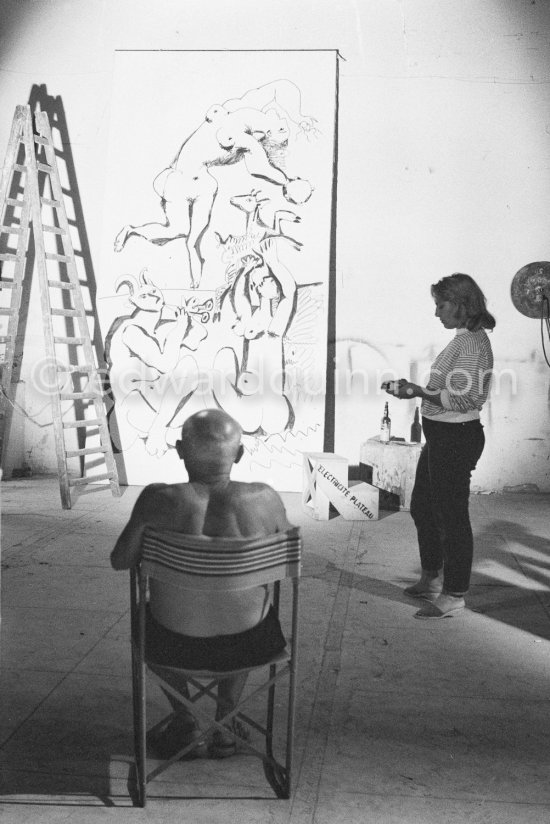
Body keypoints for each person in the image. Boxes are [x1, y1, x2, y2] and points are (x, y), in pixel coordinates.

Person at [110, 408, 293, 757]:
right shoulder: (266, 499)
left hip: (170, 644)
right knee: (244, 602)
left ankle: (187, 718)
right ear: (239, 454)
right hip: (251, 644)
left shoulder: (156, 499)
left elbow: (120, 561)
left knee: (143, 617)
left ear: (179, 449)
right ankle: (225, 721)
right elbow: (287, 562)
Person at [382, 273, 495, 619]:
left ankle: (454, 593)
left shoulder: (473, 344)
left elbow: (467, 398)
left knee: (451, 516)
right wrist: (415, 390)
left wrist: (417, 391)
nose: (437, 313)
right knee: (423, 507)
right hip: (443, 436)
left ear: (461, 304)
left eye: (441, 305)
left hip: (456, 439)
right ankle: (432, 578)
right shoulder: (463, 339)